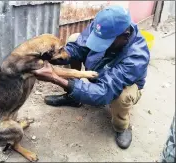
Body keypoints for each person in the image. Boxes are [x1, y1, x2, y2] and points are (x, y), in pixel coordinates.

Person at [32, 5, 150, 149]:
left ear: (125, 35)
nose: (102, 44)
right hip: (98, 69)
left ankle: (122, 126)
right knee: (74, 39)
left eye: (106, 41)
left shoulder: (137, 56)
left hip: (118, 84)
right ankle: (75, 98)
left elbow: (105, 92)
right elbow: (79, 47)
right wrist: (54, 57)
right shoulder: (104, 25)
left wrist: (56, 78)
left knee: (122, 97)